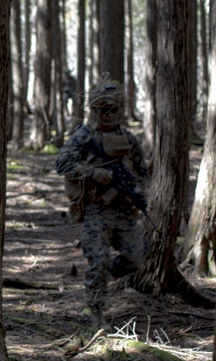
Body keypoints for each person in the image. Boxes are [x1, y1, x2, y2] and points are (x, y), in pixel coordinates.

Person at [55, 79, 148, 328]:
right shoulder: (84, 136)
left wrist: (137, 192)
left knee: (136, 257)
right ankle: (97, 314)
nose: (108, 115)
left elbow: (142, 170)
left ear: (120, 110)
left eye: (113, 110)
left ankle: (104, 277)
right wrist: (91, 172)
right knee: (97, 260)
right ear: (95, 111)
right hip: (96, 210)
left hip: (124, 210)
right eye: (103, 110)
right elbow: (61, 163)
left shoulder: (127, 138)